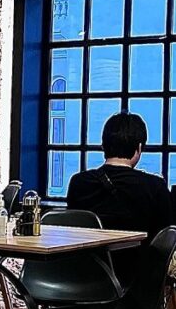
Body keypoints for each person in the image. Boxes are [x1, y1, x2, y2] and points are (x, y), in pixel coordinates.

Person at [67, 111, 171, 286]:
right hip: (137, 285)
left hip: (81, 281)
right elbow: (166, 238)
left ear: (103, 146)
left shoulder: (79, 183)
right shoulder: (154, 187)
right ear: (139, 148)